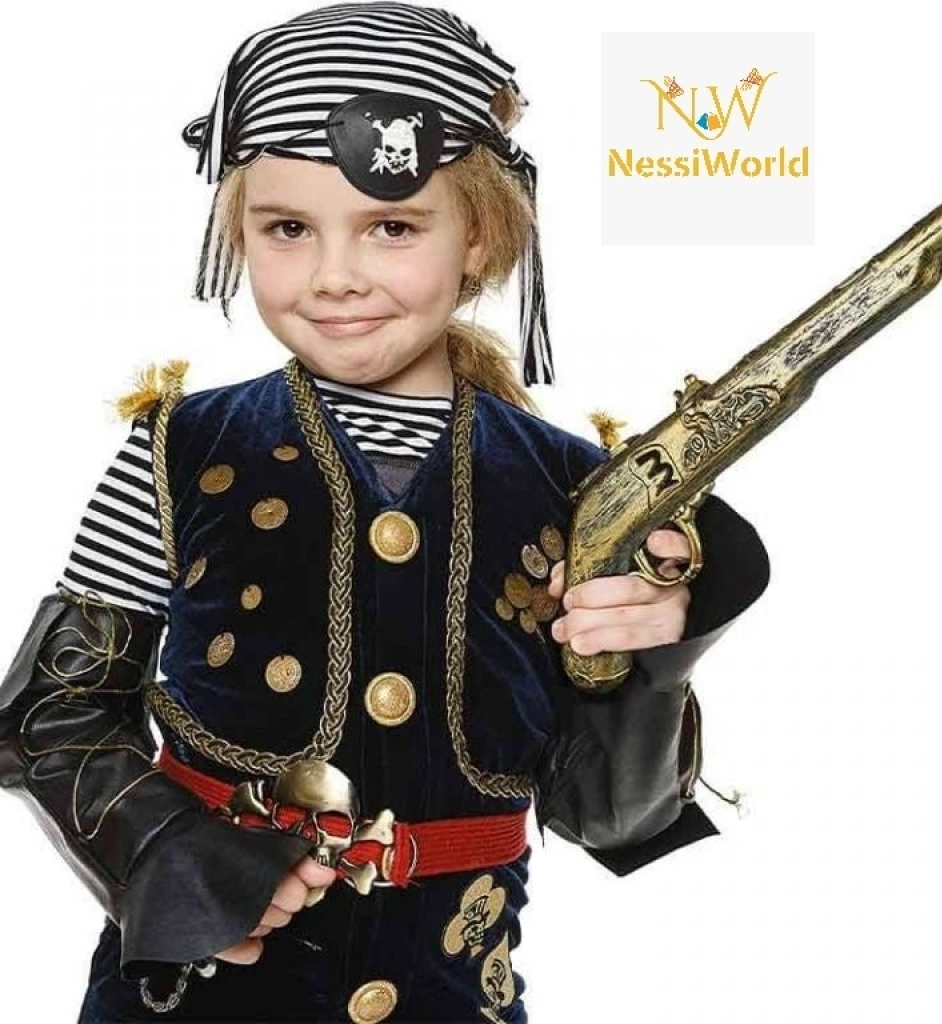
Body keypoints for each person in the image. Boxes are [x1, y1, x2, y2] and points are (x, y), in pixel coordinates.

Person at [0, 3, 770, 1021]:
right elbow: (52, 716)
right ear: (239, 232)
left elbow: (608, 817)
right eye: (287, 228)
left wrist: (665, 650)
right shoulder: (180, 449)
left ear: (480, 237)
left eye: (393, 227)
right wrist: (169, 853)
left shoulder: (577, 493)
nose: (333, 276)